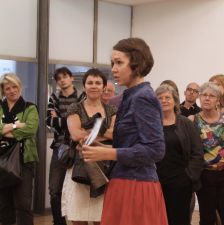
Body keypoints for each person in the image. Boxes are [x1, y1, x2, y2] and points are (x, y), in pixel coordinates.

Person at [81, 37, 168, 225]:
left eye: (119, 62)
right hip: (126, 181)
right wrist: (99, 146)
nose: (113, 69)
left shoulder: (142, 97)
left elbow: (155, 150)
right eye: (113, 63)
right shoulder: (132, 95)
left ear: (137, 63)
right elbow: (132, 143)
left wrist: (108, 152)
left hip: (136, 185)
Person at [61, 68, 116, 225]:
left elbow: (116, 135)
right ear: (84, 86)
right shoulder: (75, 107)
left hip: (105, 166)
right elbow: (76, 135)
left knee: (102, 216)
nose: (94, 86)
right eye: (90, 82)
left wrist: (90, 129)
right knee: (79, 216)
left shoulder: (111, 110)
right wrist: (103, 132)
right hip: (80, 166)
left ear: (104, 87)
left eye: (98, 83)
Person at [155, 84, 204, 225]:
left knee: (179, 220)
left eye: (167, 97)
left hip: (181, 183)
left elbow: (197, 152)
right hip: (155, 181)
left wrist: (189, 177)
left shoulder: (185, 124)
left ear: (175, 101)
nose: (164, 100)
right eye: (160, 98)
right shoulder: (152, 124)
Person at [189, 82, 224, 225]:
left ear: (218, 100)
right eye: (204, 95)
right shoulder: (192, 120)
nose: (207, 98)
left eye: (211, 96)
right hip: (204, 175)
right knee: (207, 217)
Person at [46, 66, 84, 225]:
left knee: (80, 189)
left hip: (78, 147)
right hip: (59, 148)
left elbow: (83, 121)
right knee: (55, 190)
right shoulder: (54, 97)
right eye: (59, 78)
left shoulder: (82, 97)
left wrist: (60, 119)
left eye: (65, 77)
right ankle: (58, 222)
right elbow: (49, 121)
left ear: (71, 78)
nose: (62, 80)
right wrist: (71, 120)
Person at [0, 73, 39, 225]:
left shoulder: (30, 107)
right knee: (4, 205)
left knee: (23, 204)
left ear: (20, 87)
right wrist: (17, 125)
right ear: (3, 91)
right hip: (2, 160)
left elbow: (30, 129)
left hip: (25, 160)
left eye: (14, 87)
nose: (12, 91)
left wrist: (6, 130)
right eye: (7, 88)